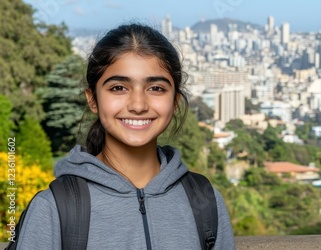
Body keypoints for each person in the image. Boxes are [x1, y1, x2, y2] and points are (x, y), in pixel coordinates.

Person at [14, 23, 235, 249]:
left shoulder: (206, 203)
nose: (138, 105)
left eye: (156, 88)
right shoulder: (54, 209)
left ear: (175, 101)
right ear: (92, 99)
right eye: (118, 88)